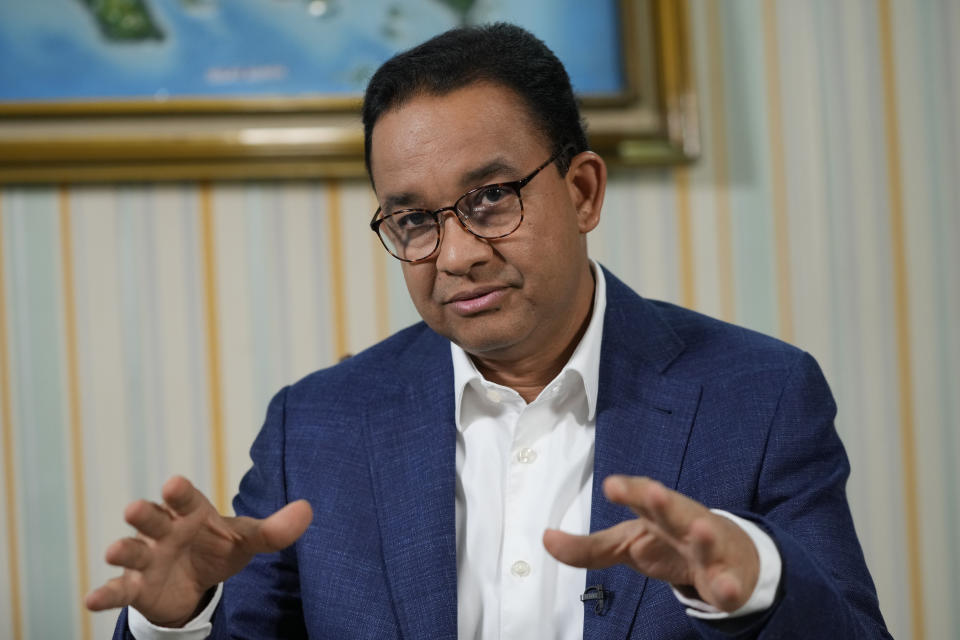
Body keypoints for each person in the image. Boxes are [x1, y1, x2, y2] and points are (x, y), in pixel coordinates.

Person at [87, 23, 890, 639]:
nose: (459, 255)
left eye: (491, 197)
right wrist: (175, 616)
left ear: (581, 191)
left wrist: (757, 585)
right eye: (412, 220)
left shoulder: (760, 394)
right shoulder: (318, 426)